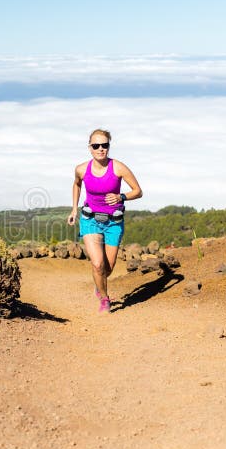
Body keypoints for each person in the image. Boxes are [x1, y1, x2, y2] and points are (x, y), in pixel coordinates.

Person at [67, 129, 142, 312]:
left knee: (107, 269)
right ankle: (104, 298)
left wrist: (121, 197)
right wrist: (74, 208)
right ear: (90, 148)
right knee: (97, 264)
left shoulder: (118, 167)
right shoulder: (81, 169)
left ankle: (99, 283)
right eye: (96, 146)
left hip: (113, 223)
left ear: (109, 146)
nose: (101, 149)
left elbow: (138, 191)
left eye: (105, 145)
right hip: (90, 219)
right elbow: (76, 184)